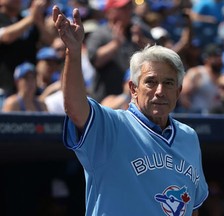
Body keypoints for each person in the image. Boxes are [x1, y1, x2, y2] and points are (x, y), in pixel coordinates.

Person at [53, 5, 208, 215]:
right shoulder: (112, 126)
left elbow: (193, 207)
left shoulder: (189, 137)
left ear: (179, 91)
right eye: (151, 82)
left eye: (169, 83)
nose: (160, 91)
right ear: (133, 89)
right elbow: (74, 107)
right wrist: (73, 50)